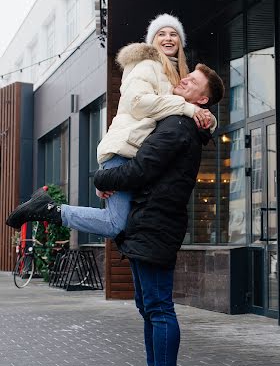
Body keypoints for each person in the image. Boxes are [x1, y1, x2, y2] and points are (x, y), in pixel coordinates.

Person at [93, 63, 224, 366]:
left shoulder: (179, 126)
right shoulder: (177, 119)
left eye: (193, 81)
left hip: (157, 224)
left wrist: (102, 176)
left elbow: (142, 170)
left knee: (159, 309)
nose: (184, 80)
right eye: (187, 75)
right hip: (148, 223)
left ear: (203, 99)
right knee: (148, 307)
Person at [6, 14, 214, 234]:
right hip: (123, 150)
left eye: (174, 34)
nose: (168, 38)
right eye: (161, 34)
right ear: (151, 41)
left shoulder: (173, 75)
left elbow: (184, 109)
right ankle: (48, 209)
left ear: (181, 42)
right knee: (117, 224)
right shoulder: (147, 65)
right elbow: (138, 103)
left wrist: (207, 119)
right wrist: (189, 109)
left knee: (132, 224)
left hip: (135, 156)